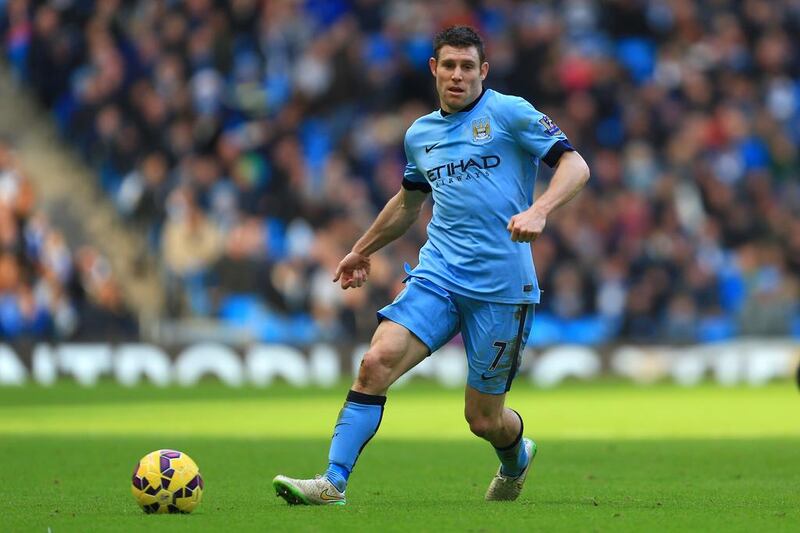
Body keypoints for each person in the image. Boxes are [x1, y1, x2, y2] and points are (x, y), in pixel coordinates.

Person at [273, 26, 590, 505]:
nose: (458, 76)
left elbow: (576, 166)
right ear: (434, 70)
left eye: (467, 67)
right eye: (449, 66)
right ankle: (332, 482)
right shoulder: (420, 135)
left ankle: (515, 456)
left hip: (501, 288)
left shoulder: (509, 113)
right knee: (374, 362)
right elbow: (407, 202)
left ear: (483, 71)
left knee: (483, 420)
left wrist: (539, 210)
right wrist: (362, 249)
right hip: (438, 275)